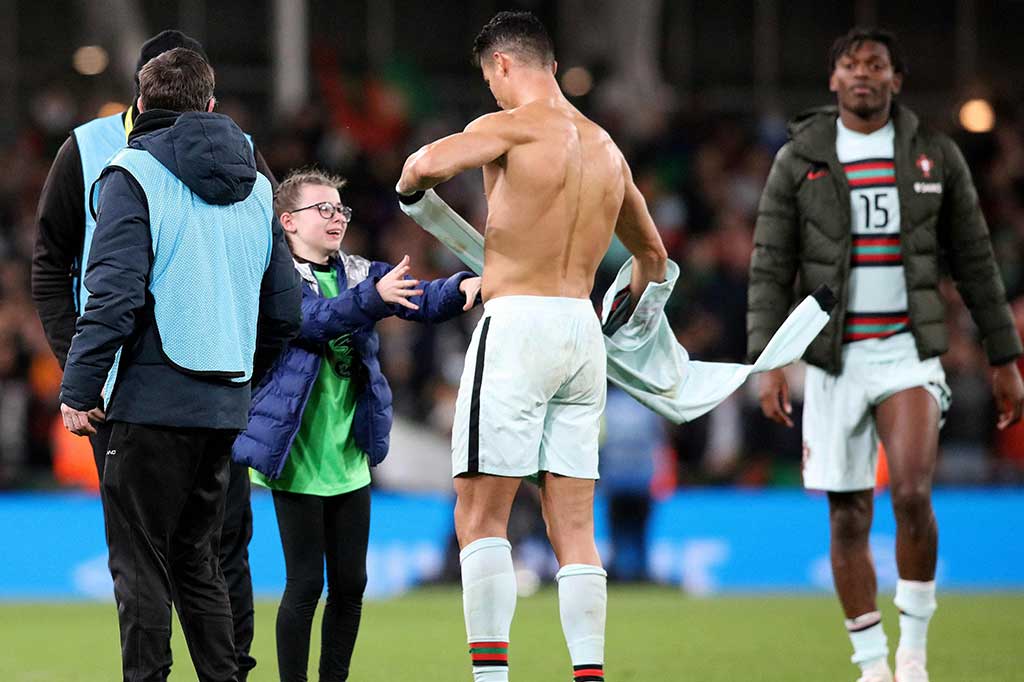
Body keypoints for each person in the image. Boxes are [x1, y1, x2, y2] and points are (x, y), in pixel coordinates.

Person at [396, 11, 667, 682]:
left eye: (490, 77)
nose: (491, 89)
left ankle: (491, 679)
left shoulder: (508, 126)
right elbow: (653, 259)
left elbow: (421, 167)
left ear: (504, 65)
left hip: (517, 320)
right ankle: (588, 674)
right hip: (582, 331)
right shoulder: (607, 148)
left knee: (480, 514)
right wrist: (620, 310)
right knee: (574, 526)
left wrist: (413, 198)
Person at [747, 27, 1024, 682]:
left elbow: (978, 264)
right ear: (834, 81)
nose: (863, 73)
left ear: (897, 81)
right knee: (847, 511)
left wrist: (1005, 356)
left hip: (908, 350)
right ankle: (872, 665)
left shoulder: (935, 157)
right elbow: (768, 265)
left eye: (877, 65)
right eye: (851, 64)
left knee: (910, 490)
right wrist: (767, 361)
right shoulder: (800, 158)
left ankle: (915, 652)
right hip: (831, 357)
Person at [31, 29, 274, 680]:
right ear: (211, 102)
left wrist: (81, 384)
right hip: (224, 398)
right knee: (202, 560)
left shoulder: (128, 169)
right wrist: (247, 374)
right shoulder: (253, 172)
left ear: (140, 96)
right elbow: (283, 305)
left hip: (141, 395)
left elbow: (111, 293)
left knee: (141, 564)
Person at [233, 168, 481, 682]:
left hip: (349, 452)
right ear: (288, 222)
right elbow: (314, 321)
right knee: (304, 585)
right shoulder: (273, 279)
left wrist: (465, 287)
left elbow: (419, 297)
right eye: (322, 209)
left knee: (351, 584)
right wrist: (374, 297)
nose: (335, 218)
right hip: (296, 452)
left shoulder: (359, 270)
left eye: (340, 209)